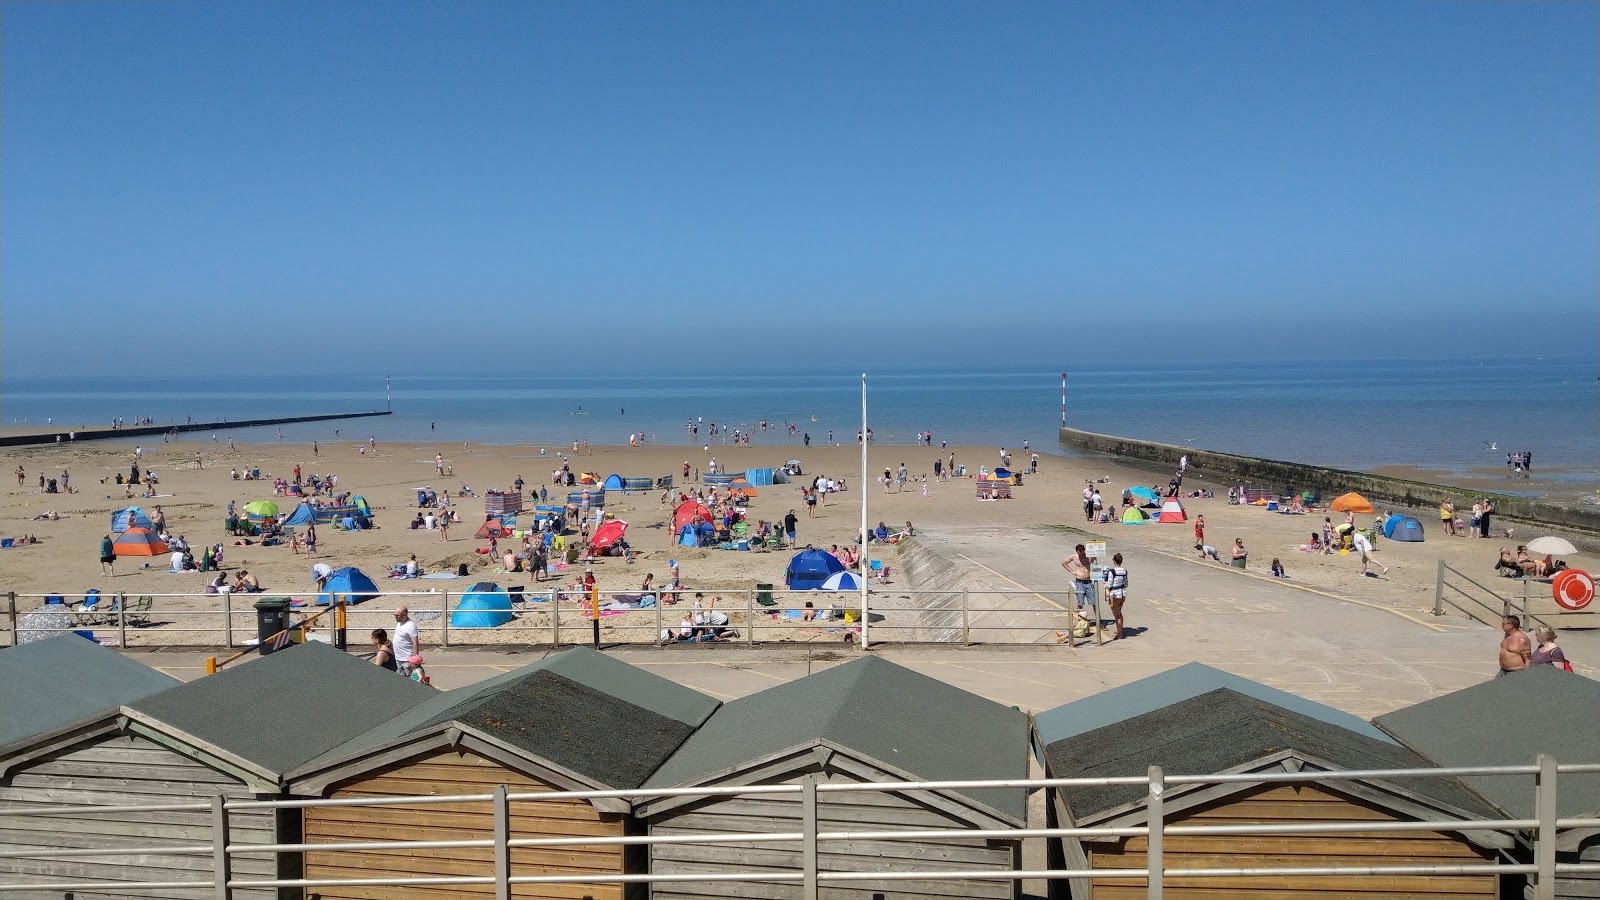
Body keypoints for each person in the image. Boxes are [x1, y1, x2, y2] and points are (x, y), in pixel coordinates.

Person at [1061, 544, 1093, 611]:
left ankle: (1097, 619)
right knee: (1080, 602)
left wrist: (1096, 574)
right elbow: (1064, 563)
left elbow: (1096, 565)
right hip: (1079, 582)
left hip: (1089, 581)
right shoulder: (1074, 556)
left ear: (1084, 551)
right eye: (1079, 554)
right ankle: (1079, 619)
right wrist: (1072, 571)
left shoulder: (1089, 556)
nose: (1081, 556)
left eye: (1082, 554)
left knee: (1094, 602)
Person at [1106, 552, 1129, 640]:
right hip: (1122, 593)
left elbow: (1109, 584)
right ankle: (1119, 629)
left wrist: (1105, 583)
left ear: (1114, 561)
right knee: (1118, 612)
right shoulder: (1125, 571)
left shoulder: (1112, 571)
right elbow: (1126, 584)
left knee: (1117, 614)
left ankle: (1120, 634)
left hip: (1114, 594)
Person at [393, 606, 420, 675]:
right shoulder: (399, 623)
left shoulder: (410, 626)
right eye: (395, 615)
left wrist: (414, 660)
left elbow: (415, 643)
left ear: (404, 615)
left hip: (407, 659)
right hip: (398, 658)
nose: (395, 617)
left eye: (397, 615)